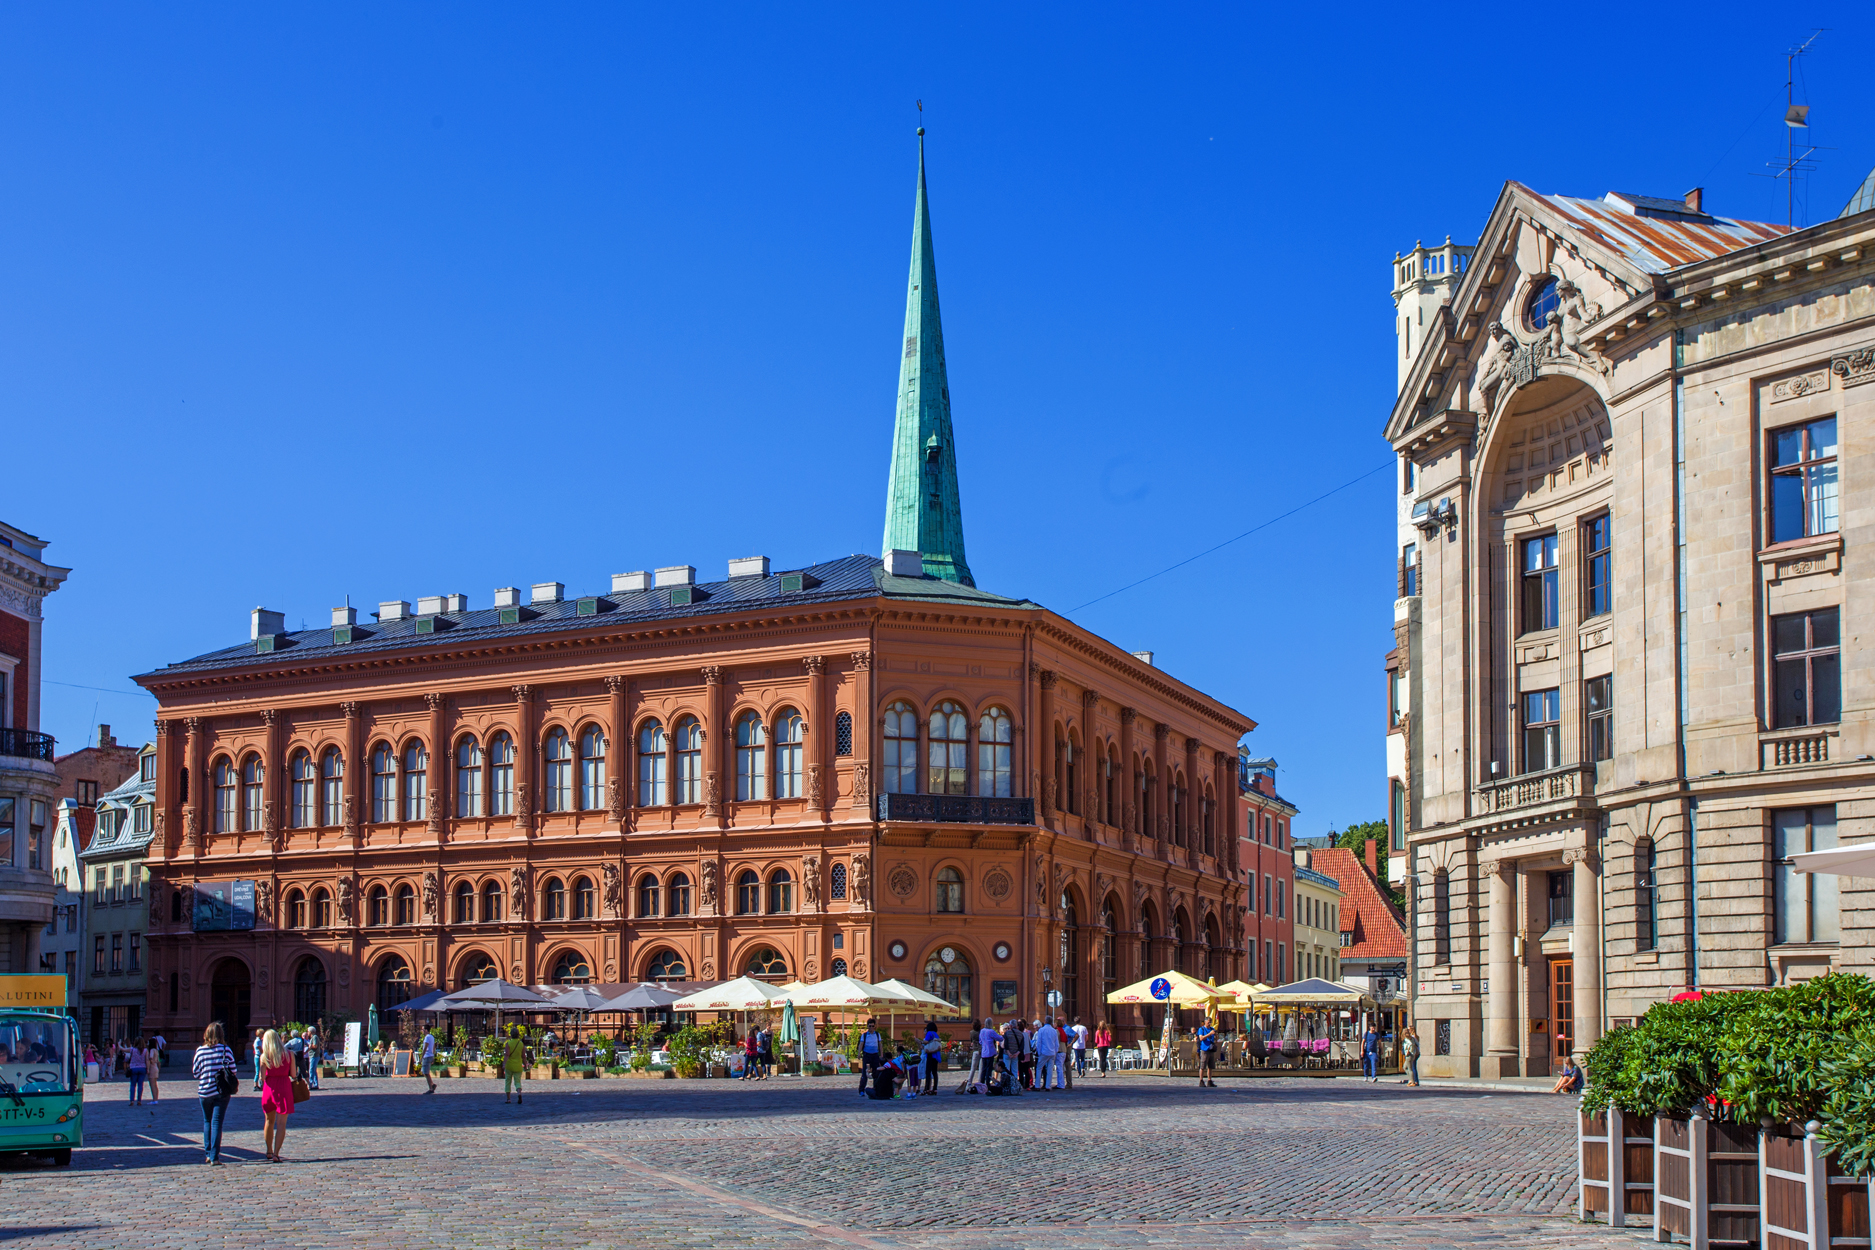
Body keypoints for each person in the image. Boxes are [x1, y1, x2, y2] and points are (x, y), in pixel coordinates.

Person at [192, 1022, 237, 1166]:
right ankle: (215, 1157)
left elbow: (196, 1073)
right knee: (217, 1123)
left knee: (207, 1121)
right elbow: (233, 1071)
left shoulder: (200, 1051)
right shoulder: (226, 1050)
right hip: (221, 1091)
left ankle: (207, 1153)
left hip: (205, 1092)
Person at [258, 1029, 296, 1163]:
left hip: (269, 1088)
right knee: (281, 1123)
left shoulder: (264, 1057)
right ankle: (276, 1153)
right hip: (284, 1088)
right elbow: (293, 1074)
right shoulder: (289, 1054)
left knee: (269, 1121)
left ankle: (268, 1150)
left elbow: (262, 1078)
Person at [1033, 1015, 1062, 1090]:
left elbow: (1039, 1043)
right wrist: (1055, 1052)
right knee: (1050, 1070)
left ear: (1045, 1021)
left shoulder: (1041, 1030)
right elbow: (1056, 1043)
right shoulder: (1054, 1031)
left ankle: (1037, 1085)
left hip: (1044, 1052)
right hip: (1052, 1052)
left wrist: (1039, 1052)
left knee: (1039, 1068)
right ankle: (1048, 1086)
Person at [857, 1018, 882, 1096]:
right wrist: (859, 1053)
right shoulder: (864, 1035)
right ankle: (861, 1090)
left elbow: (880, 1044)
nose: (871, 1028)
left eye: (872, 1026)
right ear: (867, 1026)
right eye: (869, 1026)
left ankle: (876, 1088)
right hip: (867, 1054)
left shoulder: (877, 1035)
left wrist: (881, 1054)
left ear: (875, 1026)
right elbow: (861, 1044)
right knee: (865, 1072)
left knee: (876, 1072)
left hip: (875, 1055)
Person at [503, 1028, 526, 1104]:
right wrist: (525, 1064)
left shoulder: (508, 1044)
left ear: (511, 1035)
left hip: (509, 1065)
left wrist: (504, 1064)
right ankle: (519, 1093)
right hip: (518, 1066)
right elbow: (523, 1056)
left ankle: (508, 1098)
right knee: (517, 1081)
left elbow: (507, 1055)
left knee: (508, 1081)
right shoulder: (521, 1044)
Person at [1195, 1018, 1219, 1088]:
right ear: (1205, 1022)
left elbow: (1215, 1038)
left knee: (1210, 1066)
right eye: (1208, 1022)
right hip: (1204, 1049)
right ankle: (1201, 1080)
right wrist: (1209, 1034)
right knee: (1202, 1066)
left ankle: (1209, 1080)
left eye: (1210, 1022)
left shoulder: (1212, 1029)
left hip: (1211, 1049)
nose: (1209, 1024)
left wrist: (1215, 1037)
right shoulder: (1201, 1029)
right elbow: (1201, 1038)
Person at [977, 1016, 999, 1092]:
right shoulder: (991, 1031)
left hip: (984, 1052)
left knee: (984, 1069)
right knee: (989, 1069)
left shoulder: (982, 1031)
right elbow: (999, 1038)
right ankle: (987, 1084)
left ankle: (981, 1083)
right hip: (990, 1052)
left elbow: (980, 1041)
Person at [126, 1035, 148, 1105]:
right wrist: (148, 1069)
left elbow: (123, 1049)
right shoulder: (145, 1050)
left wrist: (119, 1045)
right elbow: (147, 1060)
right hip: (142, 1068)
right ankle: (139, 1100)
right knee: (140, 1085)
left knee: (132, 1085)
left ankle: (132, 1100)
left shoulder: (132, 1049)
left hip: (133, 1068)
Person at [920, 1021, 942, 1095]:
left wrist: (921, 1041)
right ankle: (935, 1088)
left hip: (930, 1054)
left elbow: (926, 1041)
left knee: (928, 1072)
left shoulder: (929, 1033)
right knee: (934, 1072)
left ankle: (927, 1089)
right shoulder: (936, 1034)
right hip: (936, 1055)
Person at [143, 1035, 162, 1103]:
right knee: (155, 1085)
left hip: (152, 1067)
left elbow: (150, 1058)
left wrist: (150, 1062)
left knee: (152, 1084)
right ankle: (156, 1098)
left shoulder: (151, 1050)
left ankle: (154, 1099)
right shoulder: (156, 1050)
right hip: (156, 1067)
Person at [420, 1026, 438, 1094]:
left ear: (426, 1030)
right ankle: (432, 1085)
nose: (422, 1031)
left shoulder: (427, 1037)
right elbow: (433, 1047)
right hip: (430, 1055)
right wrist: (433, 1055)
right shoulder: (432, 1037)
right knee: (426, 1072)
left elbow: (425, 1047)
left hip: (427, 1056)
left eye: (423, 1029)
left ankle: (431, 1087)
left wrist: (422, 1056)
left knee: (426, 1072)